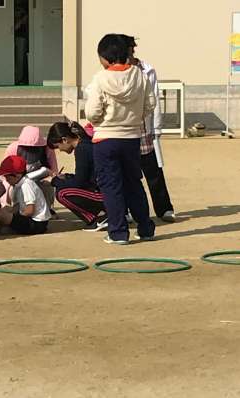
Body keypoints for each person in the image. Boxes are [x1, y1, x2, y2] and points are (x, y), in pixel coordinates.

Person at [85, 34, 156, 244]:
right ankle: (145, 229)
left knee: (111, 186)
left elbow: (92, 112)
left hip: (105, 139)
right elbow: (150, 104)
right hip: (131, 138)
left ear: (104, 57)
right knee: (133, 183)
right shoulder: (139, 76)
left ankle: (118, 232)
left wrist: (101, 122)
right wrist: (134, 118)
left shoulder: (100, 78)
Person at [121, 34, 175, 222]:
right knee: (125, 173)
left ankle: (164, 208)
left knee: (153, 170)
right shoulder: (113, 71)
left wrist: (156, 128)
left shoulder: (146, 70)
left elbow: (154, 98)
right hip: (123, 128)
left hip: (144, 128)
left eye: (130, 50)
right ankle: (125, 211)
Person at [46, 121, 106, 231]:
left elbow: (80, 182)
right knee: (64, 188)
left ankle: (98, 218)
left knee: (62, 193)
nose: (60, 150)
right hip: (106, 189)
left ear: (65, 140)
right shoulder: (86, 143)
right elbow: (84, 176)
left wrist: (56, 181)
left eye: (58, 146)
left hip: (105, 193)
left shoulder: (82, 149)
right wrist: (67, 177)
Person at [3, 125, 58, 213]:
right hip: (16, 181)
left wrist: (50, 178)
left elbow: (54, 171)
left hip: (38, 182)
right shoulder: (13, 148)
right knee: (6, 184)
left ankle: (46, 209)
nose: (31, 151)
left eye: (35, 149)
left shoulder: (48, 149)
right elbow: (4, 171)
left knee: (48, 185)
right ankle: (9, 209)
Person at [0, 155, 50, 235]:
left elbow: (30, 210)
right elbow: (19, 206)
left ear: (18, 175)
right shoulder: (19, 184)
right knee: (5, 211)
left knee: (4, 217)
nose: (6, 180)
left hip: (37, 222)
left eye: (8, 177)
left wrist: (13, 217)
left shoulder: (26, 185)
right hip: (33, 220)